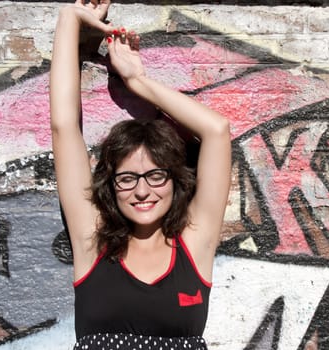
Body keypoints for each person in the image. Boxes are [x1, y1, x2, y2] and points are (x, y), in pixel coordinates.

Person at [49, 1, 231, 349]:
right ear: (111, 186)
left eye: (156, 176)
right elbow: (63, 126)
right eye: (128, 178)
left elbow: (216, 131)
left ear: (175, 180)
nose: (142, 191)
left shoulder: (194, 244)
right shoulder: (93, 241)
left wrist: (137, 80)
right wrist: (70, 19)